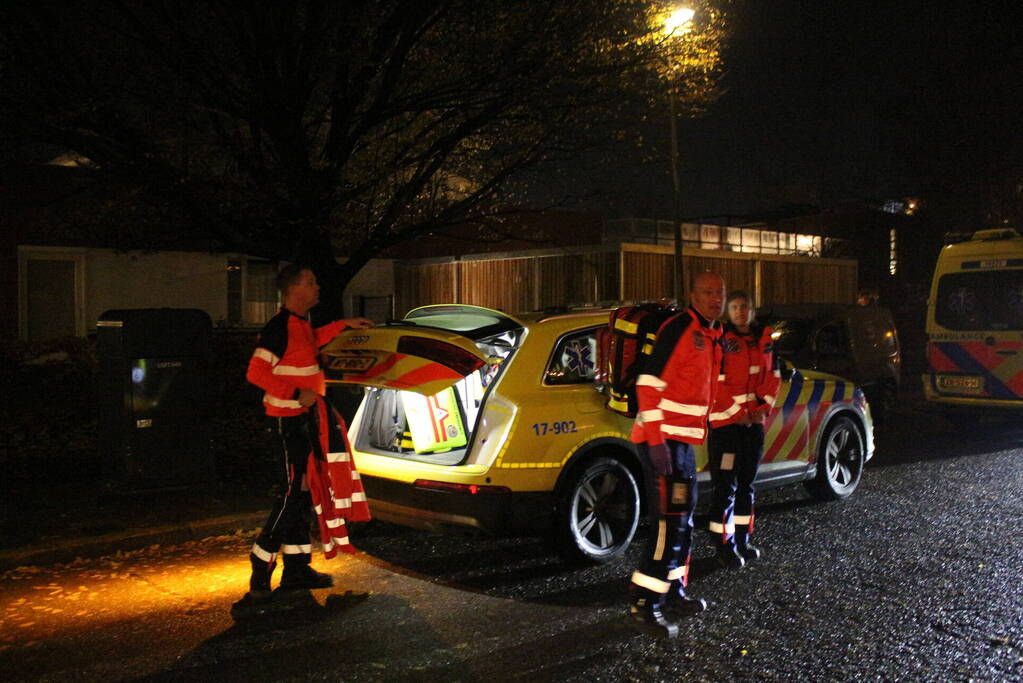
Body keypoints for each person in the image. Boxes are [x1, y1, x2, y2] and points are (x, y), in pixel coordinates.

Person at [241, 264, 374, 602]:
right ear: (295, 289)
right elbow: (256, 372)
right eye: (312, 282)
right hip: (288, 421)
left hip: (302, 420)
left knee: (302, 494)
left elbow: (311, 341)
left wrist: (343, 326)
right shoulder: (280, 326)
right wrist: (296, 395)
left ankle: (297, 568)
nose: (318, 287)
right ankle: (260, 563)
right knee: (291, 495)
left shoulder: (300, 325)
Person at [627, 271, 725, 638]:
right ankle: (644, 603)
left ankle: (672, 591)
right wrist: (655, 442)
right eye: (707, 292)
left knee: (681, 521)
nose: (715, 298)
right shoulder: (679, 328)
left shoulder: (711, 334)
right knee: (668, 525)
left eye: (719, 293)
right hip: (663, 443)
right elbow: (647, 385)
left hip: (680, 445)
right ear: (692, 294)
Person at [707, 291, 780, 568]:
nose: (740, 311)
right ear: (728, 310)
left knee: (746, 485)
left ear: (752, 310)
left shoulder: (764, 340)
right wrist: (738, 414)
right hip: (727, 426)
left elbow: (773, 376)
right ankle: (722, 545)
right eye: (735, 307)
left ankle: (742, 539)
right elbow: (714, 382)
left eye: (744, 307)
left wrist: (762, 408)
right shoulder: (720, 338)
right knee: (725, 486)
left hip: (752, 425)